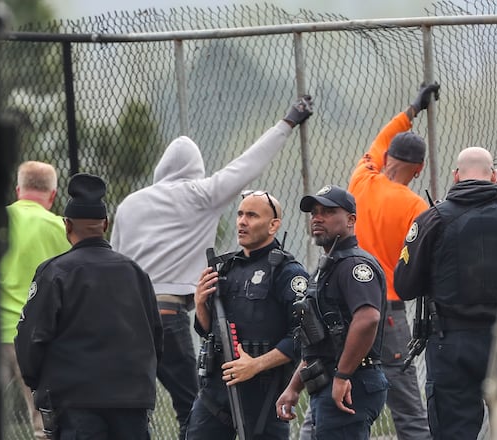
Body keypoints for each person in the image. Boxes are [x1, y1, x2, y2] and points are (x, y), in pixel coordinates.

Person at [109, 95, 313, 439]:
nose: (242, 220)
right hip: (168, 315)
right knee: (190, 405)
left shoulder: (130, 204)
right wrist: (287, 122)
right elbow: (247, 165)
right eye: (241, 214)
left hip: (125, 319)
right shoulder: (201, 194)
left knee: (129, 410)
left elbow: (113, 263)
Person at [394, 147, 497, 439]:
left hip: (450, 345)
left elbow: (404, 286)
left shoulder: (431, 220)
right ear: (494, 176)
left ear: (456, 177)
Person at [15, 173, 163, 440]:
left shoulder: (55, 272)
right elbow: (156, 337)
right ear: (105, 224)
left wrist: (38, 383)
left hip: (76, 401)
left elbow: (31, 337)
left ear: (66, 225)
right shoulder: (136, 273)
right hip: (132, 400)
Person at [346, 83, 440, 440]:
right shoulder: (416, 207)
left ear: (387, 159)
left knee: (334, 389)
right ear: (419, 171)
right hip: (387, 308)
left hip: (348, 304)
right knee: (406, 407)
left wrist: (412, 109)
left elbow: (383, 137)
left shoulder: (361, 179)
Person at [185, 190, 310, 440]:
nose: (242, 221)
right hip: (216, 392)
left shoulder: (287, 272)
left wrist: (256, 364)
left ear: (273, 225)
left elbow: (302, 336)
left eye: (252, 215)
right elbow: (209, 330)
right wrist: (200, 303)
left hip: (264, 396)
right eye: (240, 214)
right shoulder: (227, 268)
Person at [276, 185, 389, 440]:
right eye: (315, 212)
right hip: (330, 380)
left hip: (352, 382)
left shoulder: (353, 265)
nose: (317, 217)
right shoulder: (328, 267)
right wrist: (294, 388)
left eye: (328, 211)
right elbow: (319, 338)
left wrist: (342, 375)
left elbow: (368, 318)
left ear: (350, 220)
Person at [0, 161, 71, 440]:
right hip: (39, 340)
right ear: (53, 195)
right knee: (45, 426)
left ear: (18, 190)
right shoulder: (63, 229)